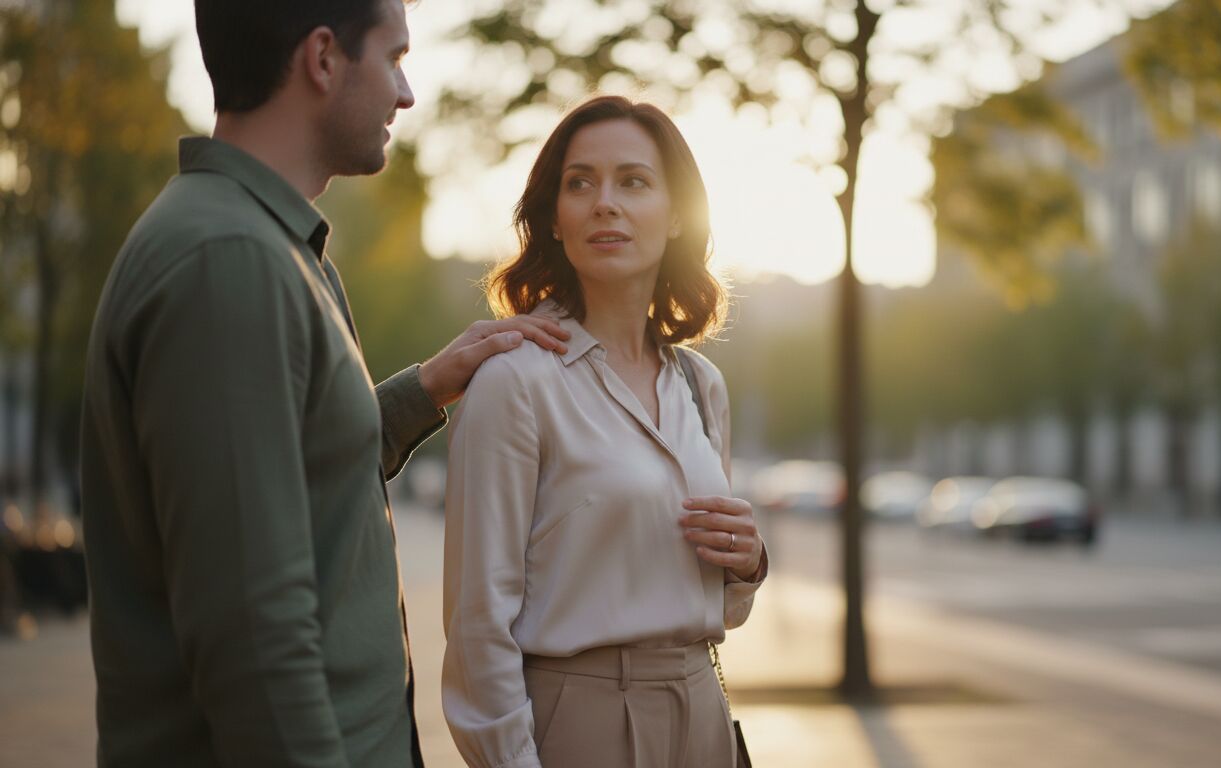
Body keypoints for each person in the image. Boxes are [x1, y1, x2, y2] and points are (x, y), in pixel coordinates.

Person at [79, 1, 569, 765]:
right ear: (322, 58)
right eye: (394, 58)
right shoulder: (228, 261)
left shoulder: (267, 243)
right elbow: (253, 641)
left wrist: (422, 390)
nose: (406, 93)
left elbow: (290, 478)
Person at [441, 95, 767, 768]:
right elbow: (478, 623)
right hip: (583, 722)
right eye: (580, 183)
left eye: (634, 181)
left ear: (676, 215)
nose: (605, 203)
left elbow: (727, 610)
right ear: (554, 220)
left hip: (703, 708)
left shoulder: (701, 386)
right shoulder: (515, 381)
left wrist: (747, 563)